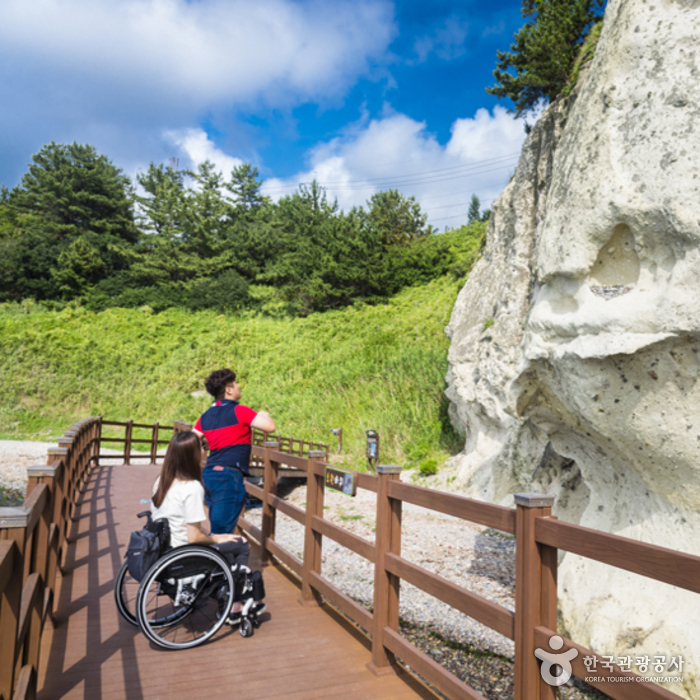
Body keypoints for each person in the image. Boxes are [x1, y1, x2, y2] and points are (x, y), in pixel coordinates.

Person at [150, 430, 260, 624]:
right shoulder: (191, 488)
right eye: (202, 446)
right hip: (185, 553)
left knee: (225, 542)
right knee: (240, 543)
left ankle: (223, 586)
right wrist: (217, 538)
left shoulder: (161, 481)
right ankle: (235, 607)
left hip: (164, 549)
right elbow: (193, 537)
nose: (205, 449)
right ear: (192, 454)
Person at [193, 368, 276, 535]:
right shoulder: (240, 411)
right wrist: (263, 414)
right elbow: (270, 427)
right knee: (222, 533)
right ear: (229, 390)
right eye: (236, 383)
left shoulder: (205, 416)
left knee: (218, 525)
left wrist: (207, 442)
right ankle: (216, 559)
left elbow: (190, 438)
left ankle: (215, 558)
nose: (238, 386)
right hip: (229, 476)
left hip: (209, 474)